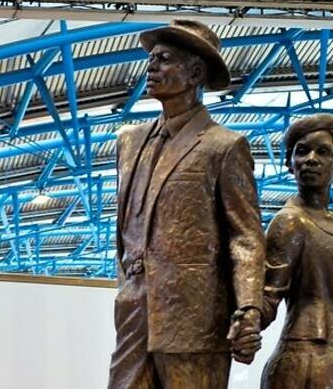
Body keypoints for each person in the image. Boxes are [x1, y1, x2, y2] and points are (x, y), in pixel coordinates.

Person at [108, 19, 266, 389]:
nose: (151, 66)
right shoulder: (129, 142)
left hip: (195, 319)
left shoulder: (223, 147)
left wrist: (248, 309)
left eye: (164, 59)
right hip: (134, 311)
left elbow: (245, 236)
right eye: (151, 58)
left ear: (195, 72)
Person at [261, 113, 333, 389]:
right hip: (303, 364)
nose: (311, 159)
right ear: (290, 164)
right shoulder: (291, 220)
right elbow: (267, 298)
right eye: (301, 151)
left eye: (323, 152)